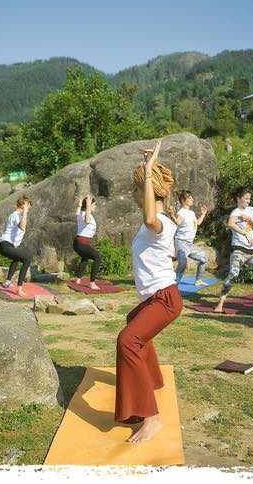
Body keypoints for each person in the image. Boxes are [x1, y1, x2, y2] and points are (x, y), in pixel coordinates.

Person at [115, 140, 182, 443]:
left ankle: (151, 418)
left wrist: (149, 169)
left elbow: (150, 217)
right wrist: (151, 168)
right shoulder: (154, 226)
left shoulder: (162, 224)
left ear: (149, 193)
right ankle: (152, 381)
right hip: (155, 298)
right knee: (134, 327)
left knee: (128, 340)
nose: (133, 196)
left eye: (138, 190)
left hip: (165, 299)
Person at [212, 188, 253, 313]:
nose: (248, 201)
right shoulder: (236, 212)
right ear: (238, 199)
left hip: (251, 253)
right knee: (233, 274)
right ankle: (220, 304)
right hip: (238, 252)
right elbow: (230, 223)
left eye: (249, 198)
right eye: (245, 198)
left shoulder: (251, 210)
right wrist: (244, 233)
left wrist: (249, 219)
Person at [0, 195, 33, 298]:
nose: (28, 210)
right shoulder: (16, 215)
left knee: (17, 259)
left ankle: (8, 282)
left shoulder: (17, 215)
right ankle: (19, 289)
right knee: (27, 259)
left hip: (7, 246)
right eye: (27, 207)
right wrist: (25, 212)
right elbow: (22, 226)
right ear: (22, 206)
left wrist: (25, 212)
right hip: (6, 245)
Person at [172, 190, 209, 285]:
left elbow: (197, 223)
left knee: (204, 259)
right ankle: (174, 285)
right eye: (189, 198)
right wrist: (172, 215)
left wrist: (203, 214)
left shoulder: (191, 213)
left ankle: (198, 280)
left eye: (192, 197)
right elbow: (178, 222)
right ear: (184, 201)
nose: (192, 199)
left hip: (190, 244)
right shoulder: (182, 212)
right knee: (182, 264)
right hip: (181, 243)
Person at [73, 194, 102, 290]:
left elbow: (76, 214)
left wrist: (80, 204)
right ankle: (92, 283)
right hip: (81, 243)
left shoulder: (80, 213)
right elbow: (87, 220)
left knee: (85, 258)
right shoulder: (86, 215)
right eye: (94, 205)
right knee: (97, 257)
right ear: (89, 206)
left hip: (78, 243)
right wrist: (89, 205)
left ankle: (78, 278)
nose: (95, 207)